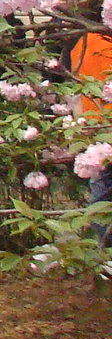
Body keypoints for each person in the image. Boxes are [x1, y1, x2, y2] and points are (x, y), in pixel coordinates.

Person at [66, 30, 112, 242]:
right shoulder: (94, 42)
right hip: (102, 124)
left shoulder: (83, 42)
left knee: (101, 192)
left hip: (96, 126)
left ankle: (105, 254)